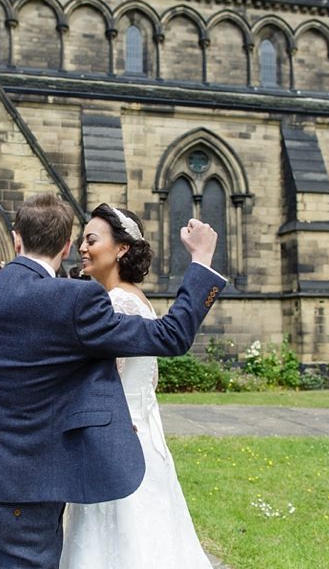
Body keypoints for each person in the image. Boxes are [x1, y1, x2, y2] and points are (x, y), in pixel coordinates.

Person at [0, 194, 225, 569]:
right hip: (28, 494)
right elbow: (171, 336)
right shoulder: (77, 301)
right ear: (67, 245)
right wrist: (200, 261)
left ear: (16, 239)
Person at [60, 204, 213, 568]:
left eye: (91, 239)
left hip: (116, 445)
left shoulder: (117, 302)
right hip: (146, 439)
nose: (82, 247)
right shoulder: (138, 300)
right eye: (82, 239)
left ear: (121, 249)